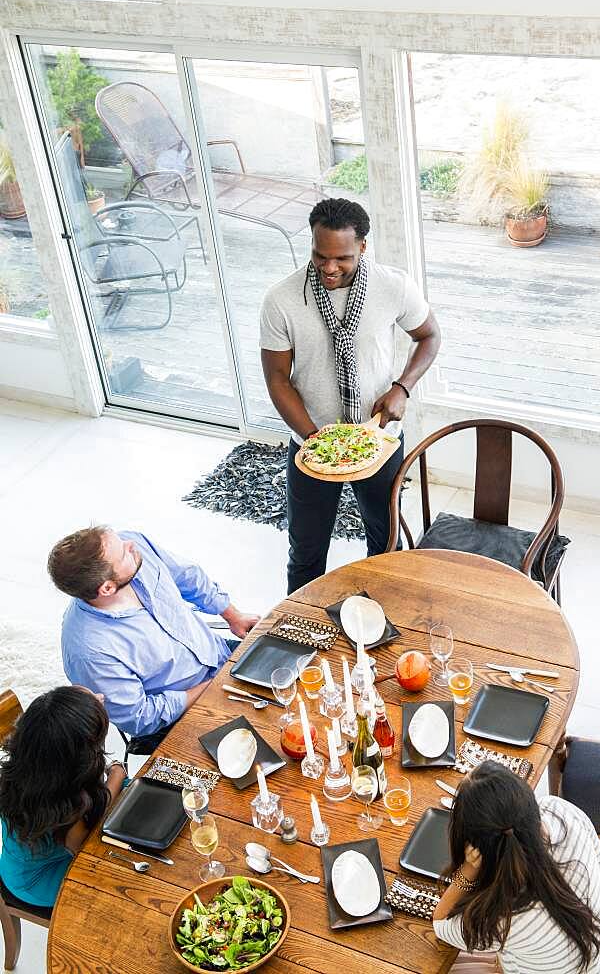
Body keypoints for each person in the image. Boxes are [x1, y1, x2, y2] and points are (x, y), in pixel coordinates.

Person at [260, 197, 441, 593]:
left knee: (385, 543)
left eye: (341, 257)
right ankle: (300, 635)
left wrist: (402, 386)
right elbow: (277, 378)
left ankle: (379, 619)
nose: (328, 268)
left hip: (378, 441)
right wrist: (317, 442)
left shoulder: (393, 286)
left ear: (362, 246)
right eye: (319, 255)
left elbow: (429, 336)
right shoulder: (282, 299)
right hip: (311, 444)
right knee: (305, 552)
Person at [48, 526, 259, 739]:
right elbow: (140, 718)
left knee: (291, 676)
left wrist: (233, 616)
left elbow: (187, 576)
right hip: (182, 714)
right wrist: (212, 687)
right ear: (107, 588)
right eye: (123, 553)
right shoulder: (90, 652)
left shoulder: (133, 548)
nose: (130, 545)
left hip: (219, 654)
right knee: (260, 747)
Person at [432, 761, 600, 973]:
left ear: (477, 846)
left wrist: (468, 870)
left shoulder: (497, 917)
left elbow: (440, 924)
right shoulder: (561, 812)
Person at [0, 686, 126, 908]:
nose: (101, 696)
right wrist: (116, 774)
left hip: (25, 860)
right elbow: (86, 848)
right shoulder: (64, 805)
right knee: (119, 883)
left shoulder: (32, 764)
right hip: (39, 881)